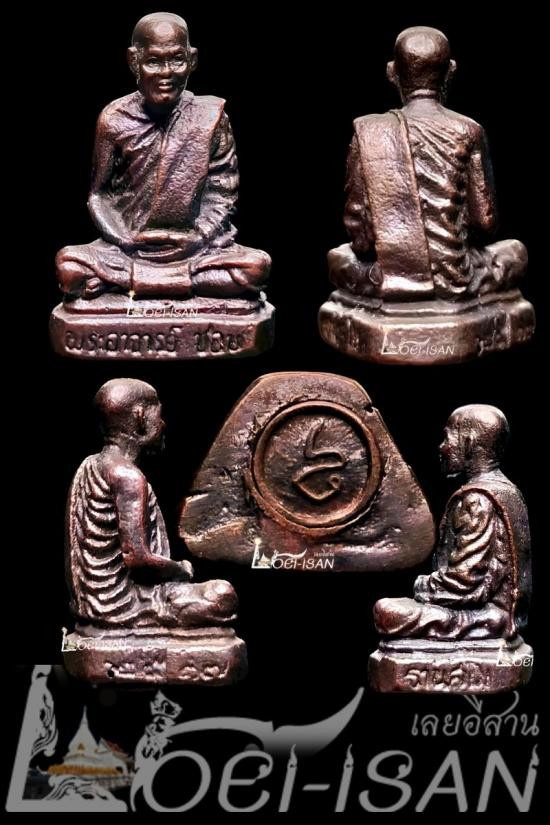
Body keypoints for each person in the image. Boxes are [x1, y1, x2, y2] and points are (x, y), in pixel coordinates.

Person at [56, 12, 270, 301]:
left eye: (177, 60)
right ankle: (179, 283)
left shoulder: (210, 117)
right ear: (134, 61)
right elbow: (98, 196)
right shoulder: (114, 119)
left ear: (192, 61)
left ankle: (126, 282)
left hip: (195, 247)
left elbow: (223, 192)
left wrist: (198, 237)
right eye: (154, 62)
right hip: (128, 249)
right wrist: (124, 240)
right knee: (69, 267)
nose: (166, 73)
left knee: (256, 267)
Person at [329, 27, 527, 301]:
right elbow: (485, 223)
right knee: (515, 251)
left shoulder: (370, 131)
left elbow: (360, 236)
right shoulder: (467, 130)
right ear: (451, 71)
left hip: (388, 276)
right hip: (456, 275)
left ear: (392, 72)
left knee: (338, 257)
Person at [66, 378, 238, 628]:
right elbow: (138, 560)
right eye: (159, 415)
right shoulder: (127, 477)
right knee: (222, 595)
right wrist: (180, 569)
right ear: (139, 417)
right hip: (123, 602)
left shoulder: (91, 465)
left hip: (89, 602)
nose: (163, 424)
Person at [373, 405, 531, 640]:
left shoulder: (477, 499)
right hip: (495, 613)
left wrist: (421, 585)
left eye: (447, 438)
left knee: (387, 611)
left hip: (488, 617)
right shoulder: (509, 491)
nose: (442, 447)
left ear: (468, 443)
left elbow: (465, 581)